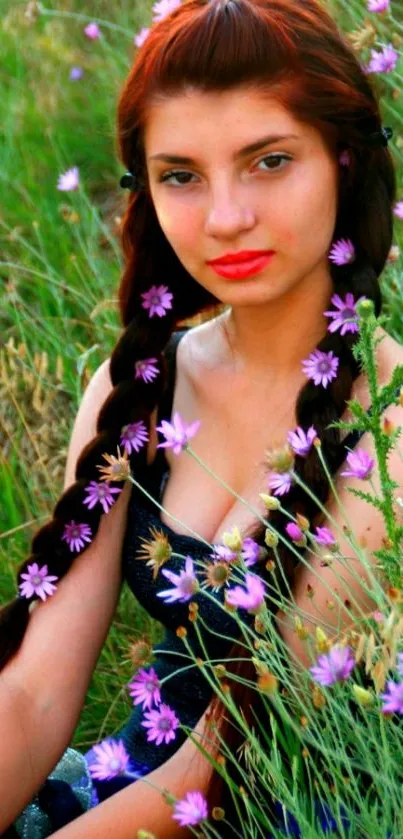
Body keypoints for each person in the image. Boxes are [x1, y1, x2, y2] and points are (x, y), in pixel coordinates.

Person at [1, 0, 402, 834]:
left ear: (345, 163)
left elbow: (224, 763)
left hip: (308, 801)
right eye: (181, 174)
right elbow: (34, 692)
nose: (224, 218)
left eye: (267, 161)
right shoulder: (143, 388)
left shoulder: (389, 429)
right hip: (148, 780)